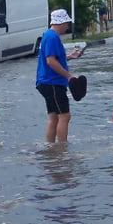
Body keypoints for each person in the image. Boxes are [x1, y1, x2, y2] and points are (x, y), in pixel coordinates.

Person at [36, 9, 83, 144]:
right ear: (60, 22)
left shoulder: (48, 35)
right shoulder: (52, 37)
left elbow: (54, 59)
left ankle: (51, 148)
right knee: (64, 116)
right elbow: (50, 61)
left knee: (54, 117)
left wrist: (69, 57)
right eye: (67, 23)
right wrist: (69, 76)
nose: (67, 26)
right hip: (53, 83)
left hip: (46, 82)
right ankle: (62, 149)